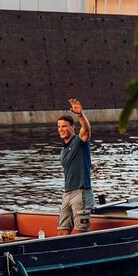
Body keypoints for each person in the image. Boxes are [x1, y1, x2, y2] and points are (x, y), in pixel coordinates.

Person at [57, 98, 94, 235]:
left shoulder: (79, 142)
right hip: (67, 193)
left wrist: (80, 115)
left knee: (80, 231)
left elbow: (86, 130)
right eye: (59, 127)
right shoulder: (64, 149)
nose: (61, 129)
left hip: (81, 193)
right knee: (62, 230)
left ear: (72, 127)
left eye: (64, 126)